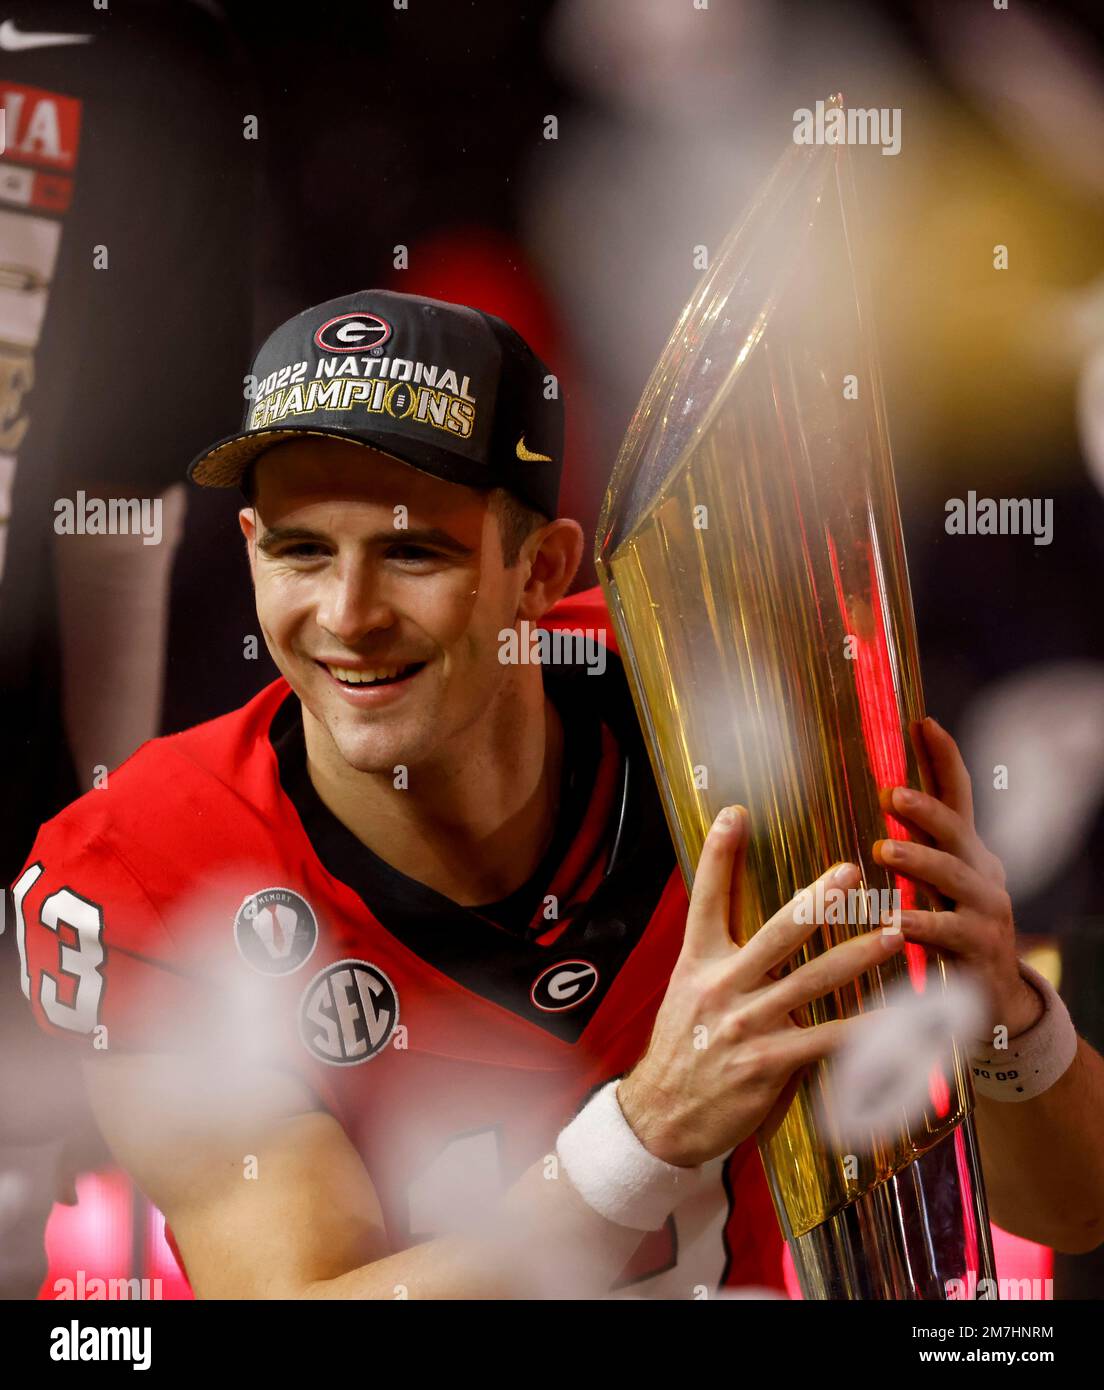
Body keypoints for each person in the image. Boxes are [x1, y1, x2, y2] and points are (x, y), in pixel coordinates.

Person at [11, 290, 1104, 1299]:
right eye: (302, 552)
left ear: (540, 572)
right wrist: (644, 1134)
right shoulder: (148, 861)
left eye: (410, 553)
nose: (347, 614)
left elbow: (1073, 1205)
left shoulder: (751, 717)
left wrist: (1006, 1011)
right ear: (250, 552)